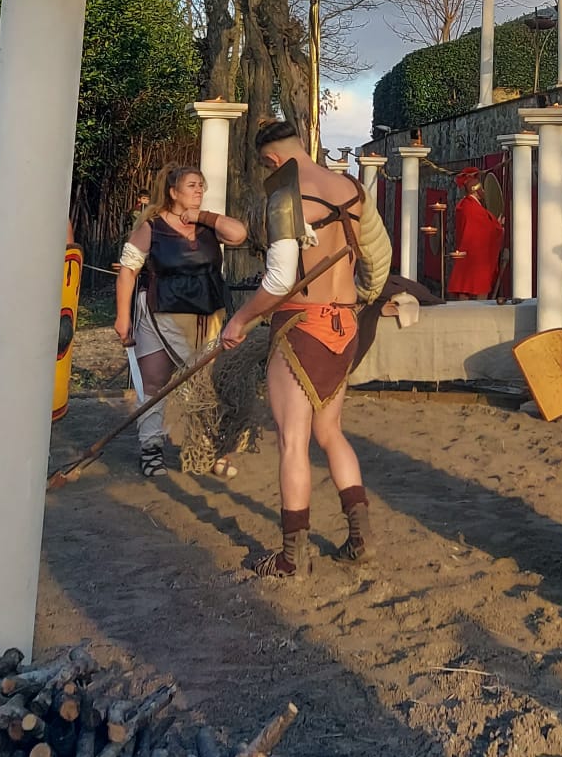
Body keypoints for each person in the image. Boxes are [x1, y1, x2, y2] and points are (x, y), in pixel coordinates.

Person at [219, 120, 392, 578]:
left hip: (302, 324)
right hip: (345, 324)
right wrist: (364, 295)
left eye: (266, 167)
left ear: (272, 159)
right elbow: (379, 256)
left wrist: (240, 318)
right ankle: (361, 538)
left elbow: (279, 281)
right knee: (330, 432)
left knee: (293, 441)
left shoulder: (285, 194)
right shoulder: (350, 188)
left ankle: (292, 556)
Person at [114, 164, 248, 478]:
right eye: (192, 185)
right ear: (173, 192)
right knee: (154, 384)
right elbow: (128, 271)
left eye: (201, 185)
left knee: (207, 386)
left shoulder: (208, 225)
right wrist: (122, 317)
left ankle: (207, 450)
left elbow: (239, 233)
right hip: (162, 315)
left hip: (208, 317)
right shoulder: (152, 227)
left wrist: (201, 216)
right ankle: (151, 449)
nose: (199, 190)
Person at [447, 167, 504, 299]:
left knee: (465, 286)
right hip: (476, 256)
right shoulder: (472, 208)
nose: (483, 191)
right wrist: (498, 226)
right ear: (476, 190)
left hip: (467, 253)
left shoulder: (465, 205)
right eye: (481, 188)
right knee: (476, 289)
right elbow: (486, 227)